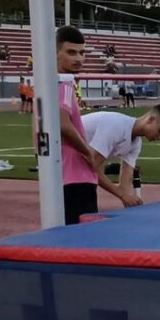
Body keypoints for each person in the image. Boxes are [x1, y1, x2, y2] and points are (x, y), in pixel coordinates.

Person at [82, 105, 160, 208]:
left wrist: (130, 201)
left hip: (76, 163)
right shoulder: (116, 126)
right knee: (84, 196)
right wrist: (123, 195)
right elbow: (91, 168)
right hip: (69, 156)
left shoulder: (136, 144)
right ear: (151, 120)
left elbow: (126, 182)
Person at [55, 26, 98, 224]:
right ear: (55, 53)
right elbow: (63, 125)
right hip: (76, 177)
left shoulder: (51, 83)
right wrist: (88, 152)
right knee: (83, 237)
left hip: (63, 175)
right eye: (71, 52)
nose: (79, 58)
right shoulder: (63, 83)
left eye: (82, 53)